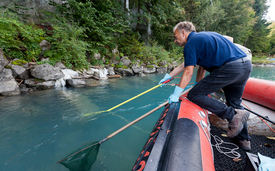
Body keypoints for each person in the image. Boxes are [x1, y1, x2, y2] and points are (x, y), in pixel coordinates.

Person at [158, 21, 252, 151]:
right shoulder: (203, 38)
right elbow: (194, 67)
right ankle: (243, 140)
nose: (175, 40)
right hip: (245, 65)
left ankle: (231, 114)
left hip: (230, 68)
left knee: (194, 95)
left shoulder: (191, 44)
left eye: (176, 37)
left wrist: (176, 93)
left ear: (183, 32)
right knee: (234, 102)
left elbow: (188, 71)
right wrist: (169, 77)